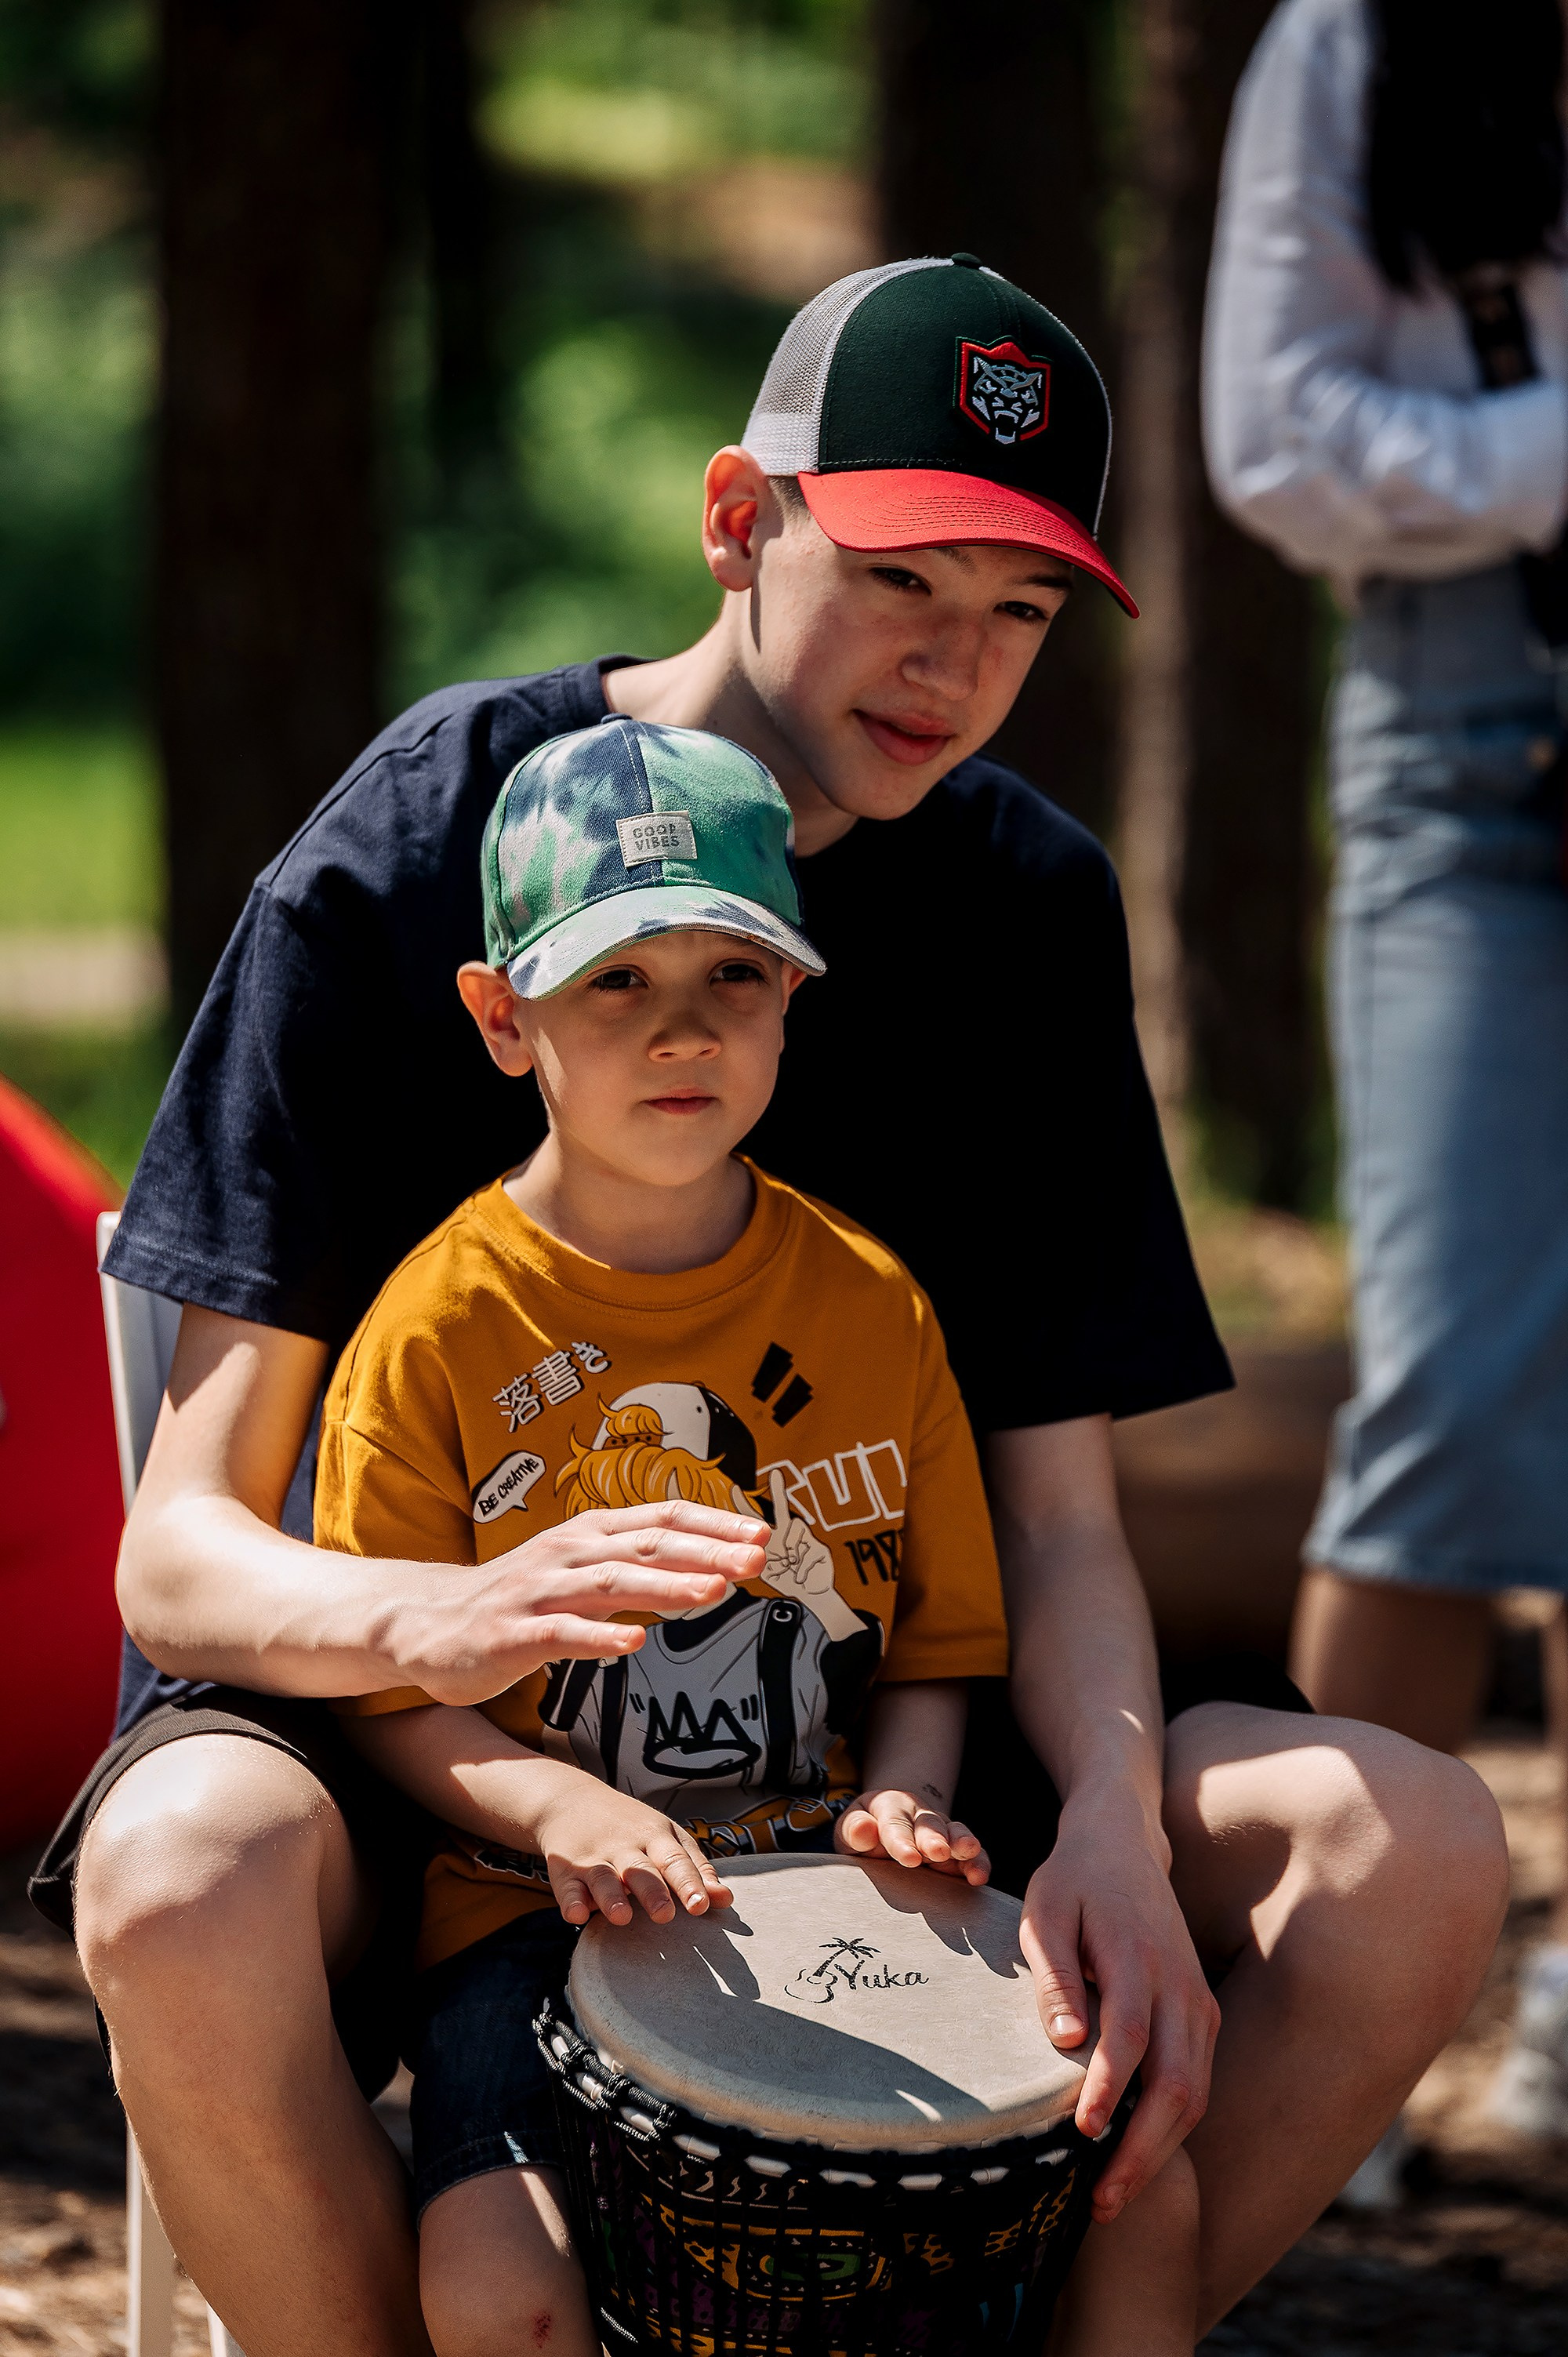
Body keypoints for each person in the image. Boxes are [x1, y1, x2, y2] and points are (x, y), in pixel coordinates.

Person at [34, 255, 1505, 2355]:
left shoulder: (1018, 900)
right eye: (910, 574)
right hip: (415, 1771)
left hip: (882, 1759)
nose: (959, 663)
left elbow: (1060, 1516)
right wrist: (433, 1620)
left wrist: (1102, 1816)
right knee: (177, 1873)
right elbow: (181, 1550)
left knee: (1413, 1845)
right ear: (742, 520)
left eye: (1020, 611)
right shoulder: (426, 839)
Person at [320, 714, 1201, 2353]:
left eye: (729, 977)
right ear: (502, 1019)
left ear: (794, 996)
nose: (681, 1033)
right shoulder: (436, 1329)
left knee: (1146, 2204)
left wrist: (908, 1799)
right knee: (498, 2288)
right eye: (615, 985)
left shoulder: (871, 1304)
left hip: (835, 1909)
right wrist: (558, 1807)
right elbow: (392, 1686)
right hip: (528, 1923)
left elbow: (935, 1642)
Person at [1205, 0, 1568, 2141]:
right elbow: (1276, 432)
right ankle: (1305, 2032)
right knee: (1446, 1385)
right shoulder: (1356, 39)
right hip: (1461, 735)